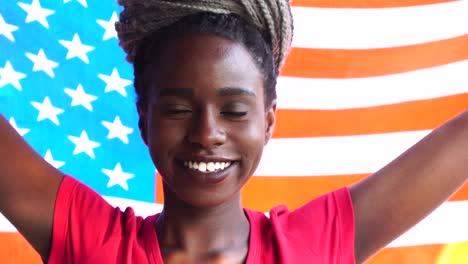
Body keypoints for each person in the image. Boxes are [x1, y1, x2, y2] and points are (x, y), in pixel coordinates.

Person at [0, 0, 467, 263]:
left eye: (235, 111)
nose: (207, 133)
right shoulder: (91, 242)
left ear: (268, 121)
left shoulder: (314, 245)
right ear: (143, 117)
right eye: (179, 108)